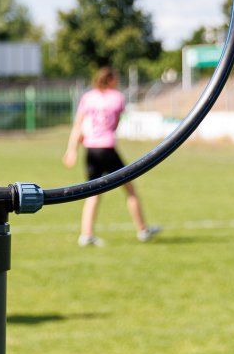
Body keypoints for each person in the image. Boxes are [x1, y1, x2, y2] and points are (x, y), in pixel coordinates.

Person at [63, 66, 161, 246]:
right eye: (115, 78)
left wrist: (72, 150)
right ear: (109, 79)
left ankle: (86, 233)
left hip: (91, 149)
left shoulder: (88, 97)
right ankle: (142, 229)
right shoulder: (117, 98)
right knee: (130, 189)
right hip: (107, 148)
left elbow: (78, 126)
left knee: (92, 192)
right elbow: (114, 125)